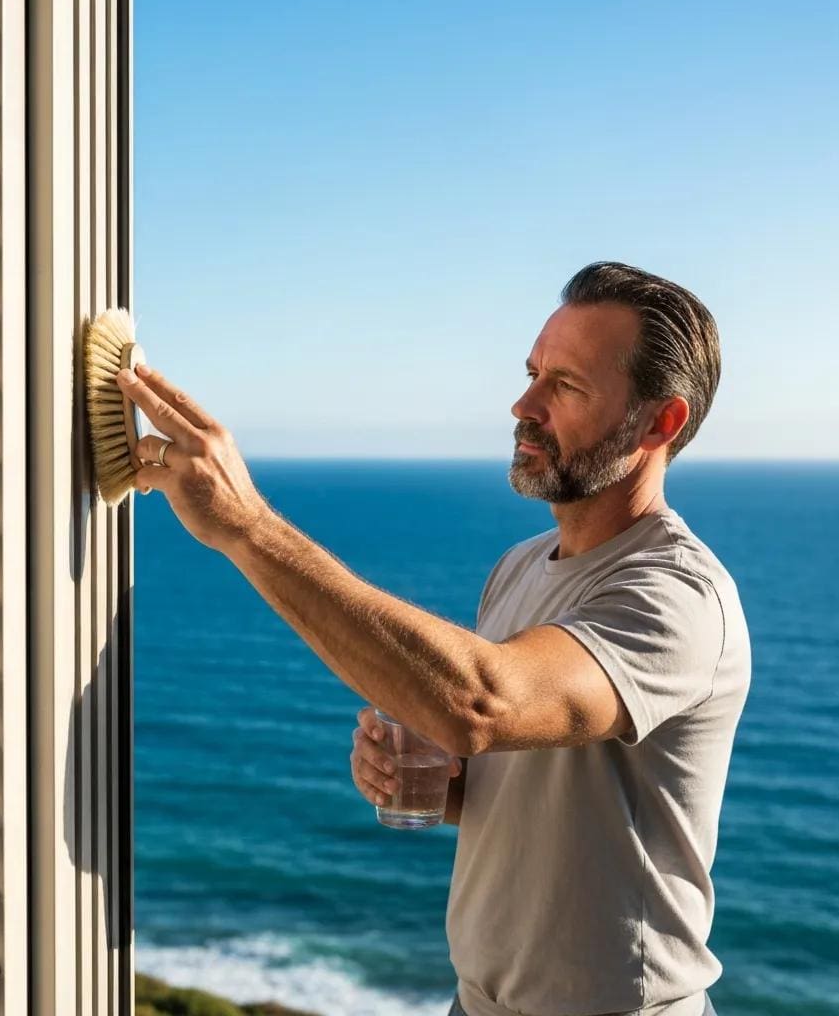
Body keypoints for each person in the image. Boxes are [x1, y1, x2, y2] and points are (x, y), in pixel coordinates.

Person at [115, 261, 751, 1016]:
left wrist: (247, 526)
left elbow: (479, 703)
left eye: (567, 386)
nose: (524, 405)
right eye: (533, 374)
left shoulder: (678, 598)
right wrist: (445, 790)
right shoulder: (520, 567)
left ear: (659, 423)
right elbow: (519, 767)